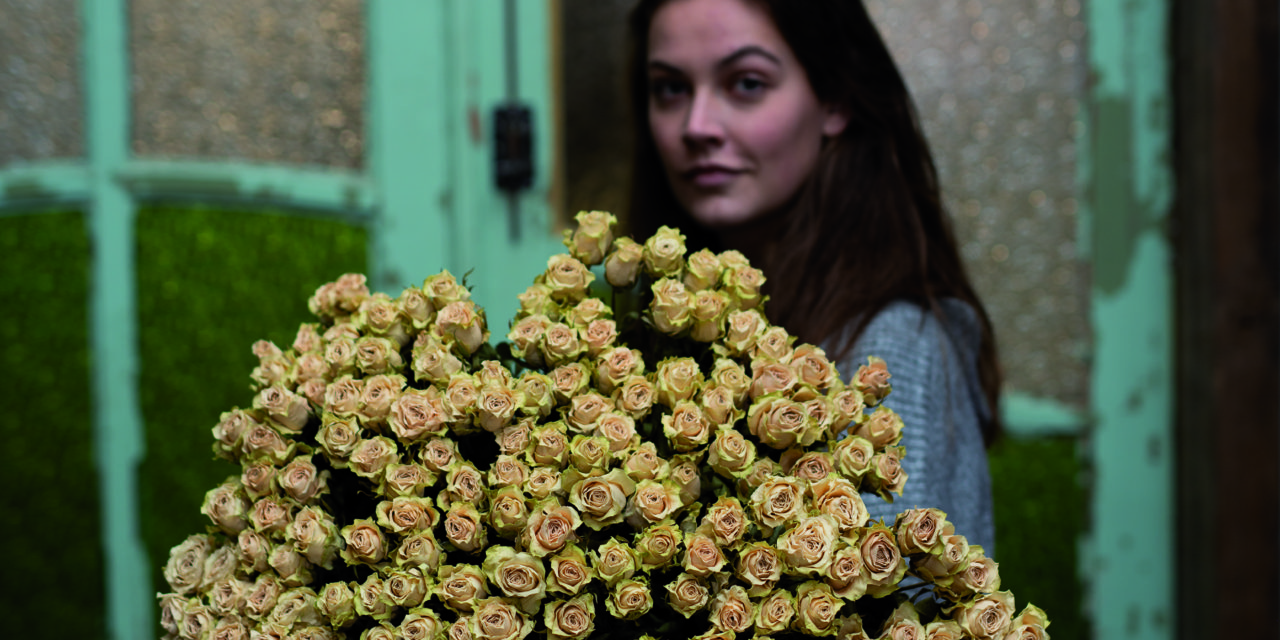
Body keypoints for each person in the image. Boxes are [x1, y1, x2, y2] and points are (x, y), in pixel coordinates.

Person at [626, 0, 999, 553]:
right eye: (670, 88)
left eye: (747, 83)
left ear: (835, 99)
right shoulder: (668, 319)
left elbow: (897, 613)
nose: (696, 126)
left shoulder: (891, 347)